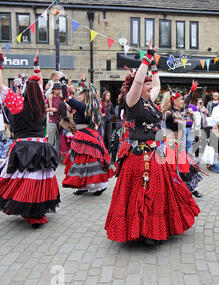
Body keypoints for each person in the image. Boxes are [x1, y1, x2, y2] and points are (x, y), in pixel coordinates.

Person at [105, 40, 200, 244]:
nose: (150, 87)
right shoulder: (133, 103)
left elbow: (156, 84)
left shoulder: (149, 101)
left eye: (149, 85)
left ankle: (154, 230)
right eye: (146, 85)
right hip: (138, 157)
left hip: (156, 155)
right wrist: (147, 57)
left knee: (157, 193)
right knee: (141, 193)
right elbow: (138, 83)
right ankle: (141, 231)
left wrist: (154, 64)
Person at [0, 48, 60, 228]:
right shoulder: (41, 101)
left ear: (24, 89)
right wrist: (36, 65)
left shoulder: (17, 102)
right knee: (36, 180)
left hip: (23, 147)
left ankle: (28, 210)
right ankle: (35, 210)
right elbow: (39, 82)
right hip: (39, 147)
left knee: (22, 180)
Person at [62, 75, 113, 196]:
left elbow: (68, 99)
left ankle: (98, 185)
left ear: (85, 95)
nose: (78, 95)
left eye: (80, 93)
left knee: (89, 161)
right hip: (84, 135)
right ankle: (84, 185)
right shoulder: (87, 106)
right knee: (82, 161)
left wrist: (65, 85)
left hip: (86, 136)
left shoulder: (84, 106)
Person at [161, 88, 205, 198]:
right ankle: (172, 191)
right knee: (173, 169)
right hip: (171, 145)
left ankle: (192, 189)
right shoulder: (169, 113)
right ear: (175, 101)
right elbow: (171, 127)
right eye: (180, 100)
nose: (182, 102)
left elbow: (186, 101)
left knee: (185, 167)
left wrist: (191, 91)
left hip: (178, 145)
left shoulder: (179, 113)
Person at [45, 82, 62, 154]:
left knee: (58, 141)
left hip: (59, 122)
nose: (59, 91)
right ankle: (48, 157)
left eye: (60, 89)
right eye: (57, 89)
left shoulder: (60, 98)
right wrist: (51, 109)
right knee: (51, 141)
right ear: (54, 90)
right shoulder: (50, 98)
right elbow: (44, 109)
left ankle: (55, 157)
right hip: (52, 121)